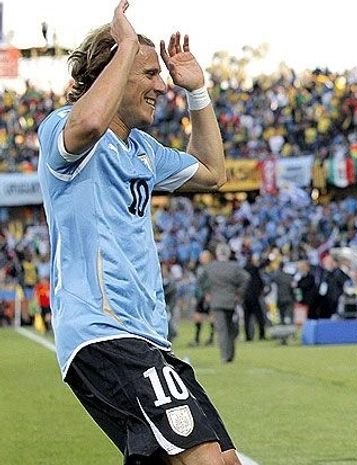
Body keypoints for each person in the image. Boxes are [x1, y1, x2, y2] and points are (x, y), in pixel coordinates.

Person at [36, 2, 243, 464]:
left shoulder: (143, 150)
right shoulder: (62, 128)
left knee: (226, 459)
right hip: (103, 332)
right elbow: (91, 122)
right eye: (148, 73)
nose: (160, 85)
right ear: (113, 70)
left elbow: (214, 172)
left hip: (148, 338)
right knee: (203, 460)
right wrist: (127, 43)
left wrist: (198, 92)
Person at [200, 244, 249, 363]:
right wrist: (239, 292)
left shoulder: (210, 267)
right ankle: (230, 354)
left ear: (217, 254)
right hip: (231, 301)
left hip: (216, 301)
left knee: (222, 330)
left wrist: (207, 292)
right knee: (231, 328)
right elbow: (246, 278)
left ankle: (224, 356)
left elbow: (200, 280)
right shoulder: (234, 266)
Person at [189, 250, 215, 347]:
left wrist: (209, 293)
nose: (201, 259)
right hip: (200, 295)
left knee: (211, 316)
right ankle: (197, 338)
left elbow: (210, 282)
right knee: (198, 315)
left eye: (203, 257)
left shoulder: (211, 268)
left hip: (207, 295)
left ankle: (211, 338)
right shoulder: (200, 268)